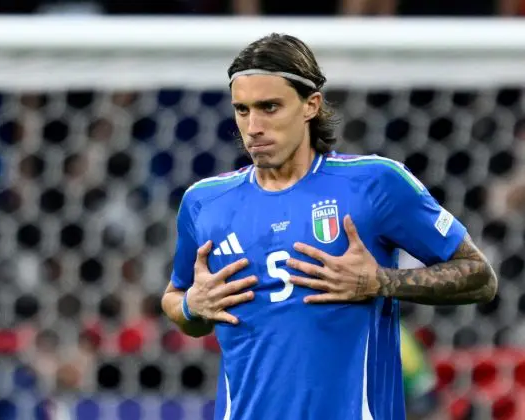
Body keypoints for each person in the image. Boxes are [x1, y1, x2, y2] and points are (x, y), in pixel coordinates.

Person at [161, 33, 498, 419]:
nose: (252, 126)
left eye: (269, 107)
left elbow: (480, 277)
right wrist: (191, 305)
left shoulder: (373, 184)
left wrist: (380, 282)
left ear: (310, 105)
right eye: (242, 109)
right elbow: (176, 299)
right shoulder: (205, 202)